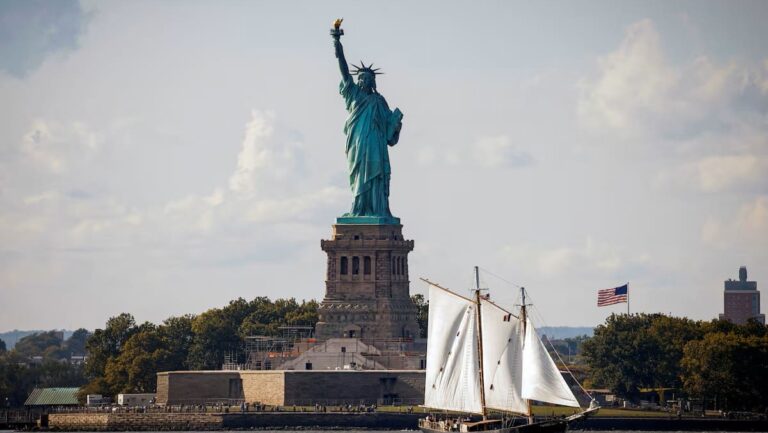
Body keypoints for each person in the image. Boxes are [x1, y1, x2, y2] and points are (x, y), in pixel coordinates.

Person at [332, 22, 403, 218]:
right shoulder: (353, 95)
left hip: (376, 144)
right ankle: (359, 209)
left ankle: (377, 209)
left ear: (373, 82)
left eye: (367, 79)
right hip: (357, 144)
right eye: (361, 79)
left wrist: (396, 122)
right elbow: (344, 70)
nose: (363, 81)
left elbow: (390, 134)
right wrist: (337, 42)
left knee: (376, 176)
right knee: (358, 178)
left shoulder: (379, 101)